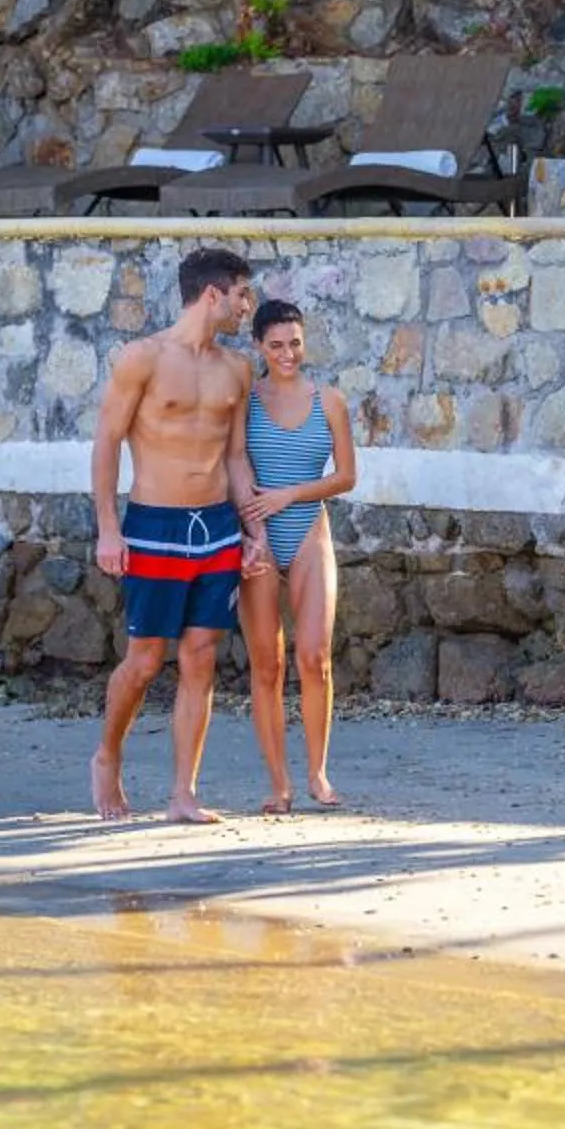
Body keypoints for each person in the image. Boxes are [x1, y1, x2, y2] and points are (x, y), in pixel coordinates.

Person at [88, 247, 262, 822]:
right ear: (212, 294)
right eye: (241, 294)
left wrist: (253, 529)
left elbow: (236, 457)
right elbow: (108, 442)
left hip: (214, 527)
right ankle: (108, 756)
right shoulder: (143, 358)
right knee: (142, 662)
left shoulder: (237, 369)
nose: (247, 306)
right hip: (155, 524)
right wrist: (108, 530)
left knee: (201, 657)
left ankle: (183, 794)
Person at [237, 297, 358, 814]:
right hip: (257, 536)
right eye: (276, 345)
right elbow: (232, 465)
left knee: (315, 657)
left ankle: (317, 774)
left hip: (309, 530)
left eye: (295, 343)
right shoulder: (245, 400)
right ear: (259, 346)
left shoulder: (328, 400)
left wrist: (289, 494)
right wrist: (253, 527)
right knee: (267, 665)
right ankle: (279, 784)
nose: (287, 354)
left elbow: (346, 477)